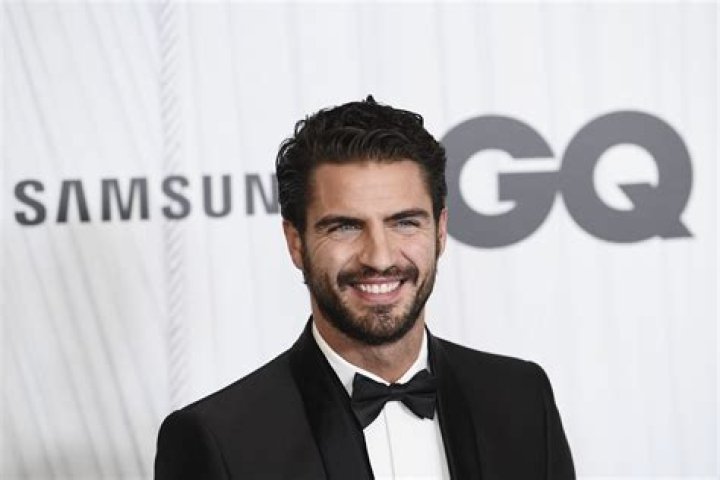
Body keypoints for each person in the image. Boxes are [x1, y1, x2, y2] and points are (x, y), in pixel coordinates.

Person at [154, 97, 575, 479]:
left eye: (404, 222)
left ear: (440, 230)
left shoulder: (521, 399)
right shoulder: (219, 440)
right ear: (296, 242)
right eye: (345, 227)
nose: (379, 257)